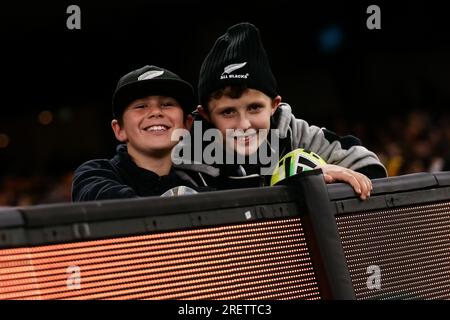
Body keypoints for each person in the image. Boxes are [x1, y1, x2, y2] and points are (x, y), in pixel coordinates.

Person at [182, 22, 387, 200]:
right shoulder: (189, 153)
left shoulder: (292, 131)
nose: (244, 124)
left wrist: (327, 180)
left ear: (274, 105)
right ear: (206, 114)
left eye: (254, 108)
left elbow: (370, 167)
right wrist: (294, 185)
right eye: (228, 112)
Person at [72, 65, 204, 201]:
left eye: (167, 104)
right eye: (141, 106)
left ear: (187, 125)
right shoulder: (94, 175)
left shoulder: (198, 183)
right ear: (119, 129)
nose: (156, 112)